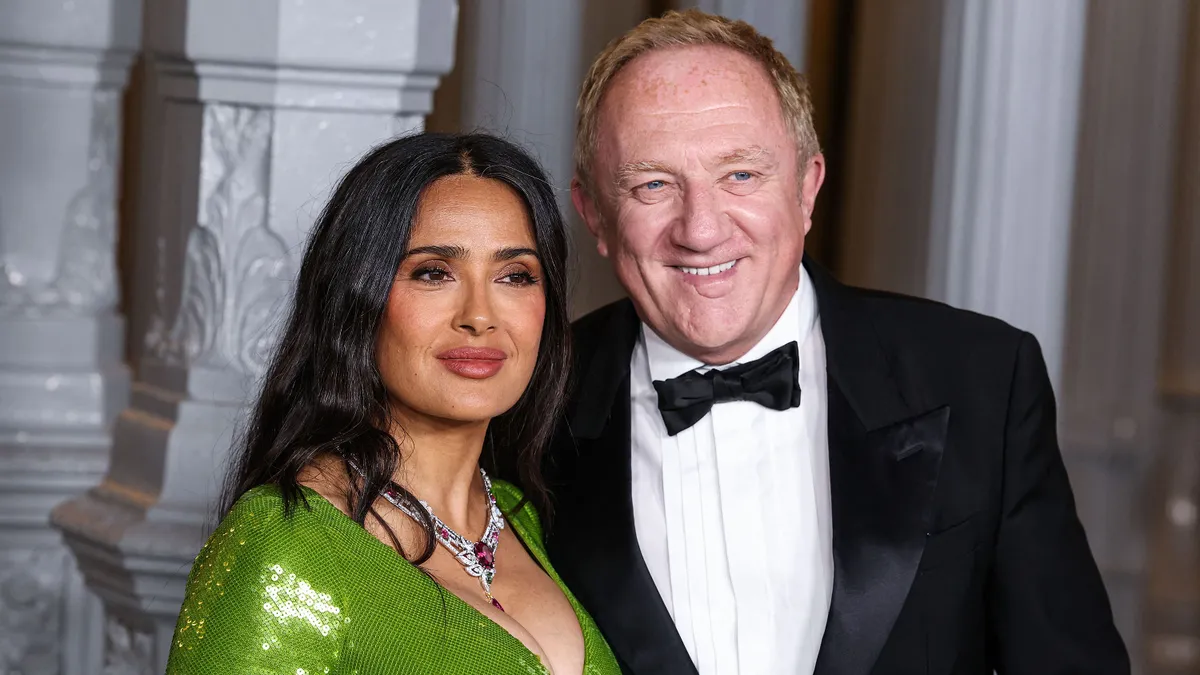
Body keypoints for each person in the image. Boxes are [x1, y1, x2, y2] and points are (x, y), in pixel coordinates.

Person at [546, 9, 1130, 675]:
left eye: (741, 175)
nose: (700, 230)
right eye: (652, 184)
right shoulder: (530, 407)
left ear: (806, 189)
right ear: (594, 213)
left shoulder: (982, 379)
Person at [165, 132, 621, 675]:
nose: (480, 316)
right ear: (358, 296)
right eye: (434, 272)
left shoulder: (522, 515)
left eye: (515, 275)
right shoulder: (287, 540)